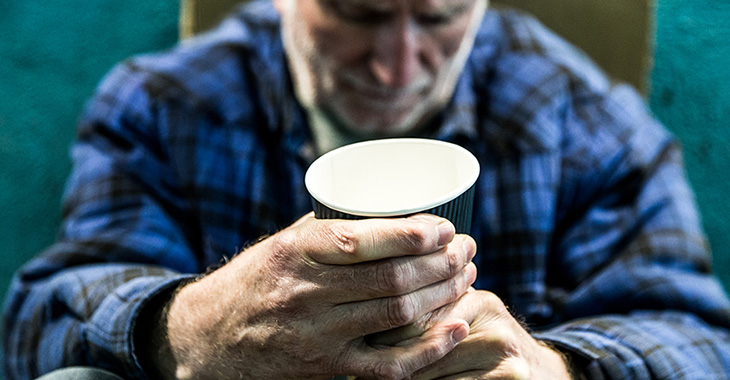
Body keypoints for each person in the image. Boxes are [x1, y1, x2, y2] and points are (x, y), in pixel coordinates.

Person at [3, 0, 730, 378]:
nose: (396, 67)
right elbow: (38, 323)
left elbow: (698, 341)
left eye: (440, 17)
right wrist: (188, 331)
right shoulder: (164, 104)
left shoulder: (586, 119)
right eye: (359, 12)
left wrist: (554, 368)